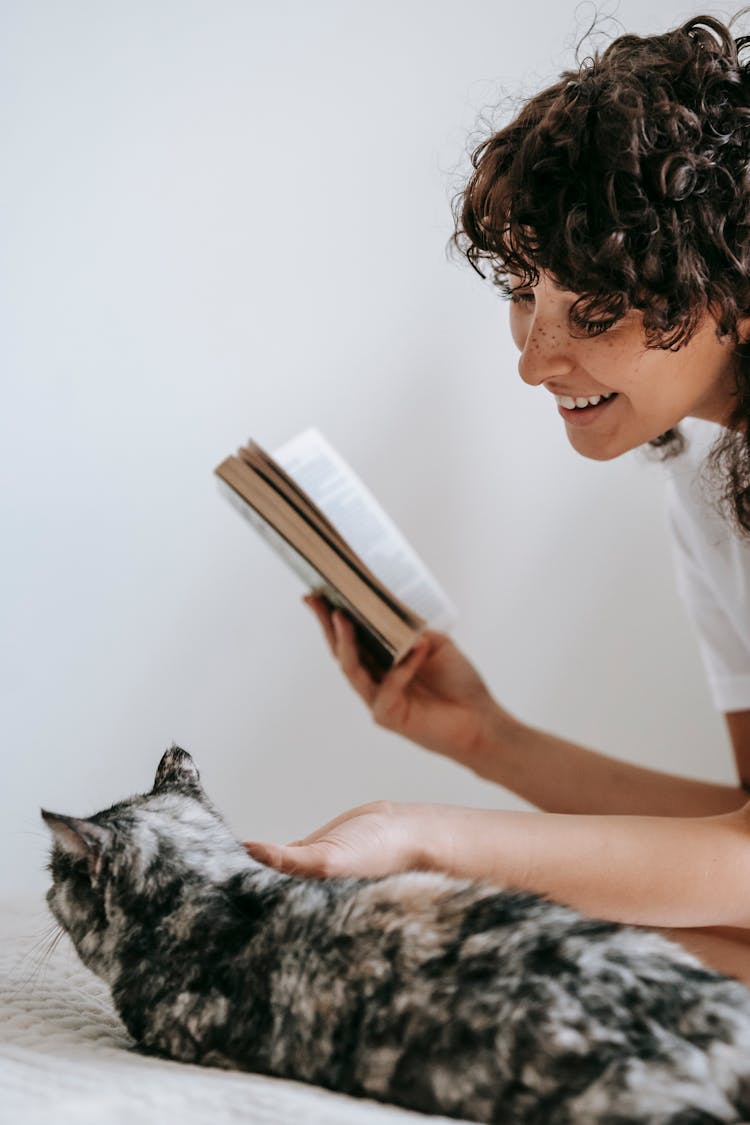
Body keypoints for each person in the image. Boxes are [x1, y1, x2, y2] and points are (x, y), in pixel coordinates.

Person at [244, 12, 750, 984]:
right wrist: (488, 740)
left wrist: (425, 841)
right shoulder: (703, 478)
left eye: (592, 310)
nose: (533, 362)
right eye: (525, 291)